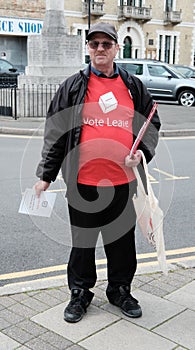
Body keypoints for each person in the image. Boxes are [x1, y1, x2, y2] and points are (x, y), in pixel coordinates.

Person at [34, 22, 161, 323]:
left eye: (106, 44)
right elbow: (56, 133)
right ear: (88, 48)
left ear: (117, 48)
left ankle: (119, 290)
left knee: (121, 243)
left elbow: (152, 124)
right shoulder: (74, 86)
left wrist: (142, 152)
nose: (100, 49)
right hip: (83, 183)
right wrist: (45, 176)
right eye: (94, 44)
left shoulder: (133, 86)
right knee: (82, 243)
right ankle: (80, 293)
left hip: (123, 183)